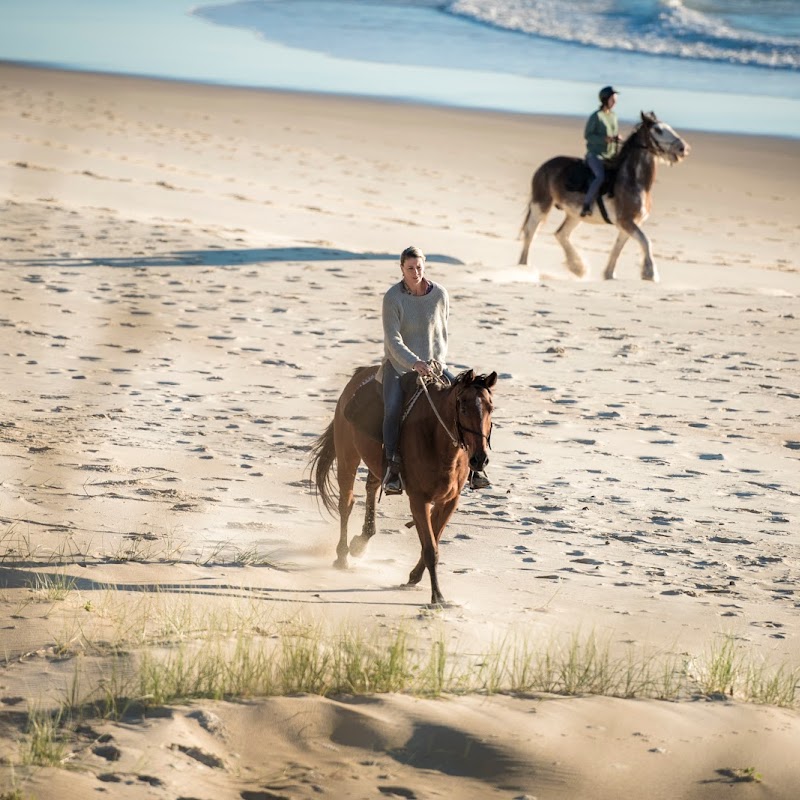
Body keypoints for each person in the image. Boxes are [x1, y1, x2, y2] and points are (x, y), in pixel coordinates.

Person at [379, 245, 490, 495]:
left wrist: (436, 362)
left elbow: (442, 332)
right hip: (400, 367)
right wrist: (414, 362)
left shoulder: (440, 293)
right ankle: (393, 469)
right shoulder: (393, 298)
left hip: (436, 367)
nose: (415, 272)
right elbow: (393, 339)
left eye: (419, 267)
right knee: (393, 409)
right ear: (401, 269)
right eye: (410, 268)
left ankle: (476, 468)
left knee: (469, 404)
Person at [581, 85, 621, 217]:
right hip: (595, 155)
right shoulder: (596, 116)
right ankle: (586, 204)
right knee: (600, 176)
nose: (615, 102)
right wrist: (604, 139)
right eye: (612, 99)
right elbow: (588, 135)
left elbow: (613, 134)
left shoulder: (613, 116)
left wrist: (616, 139)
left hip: (610, 155)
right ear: (605, 99)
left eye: (615, 99)